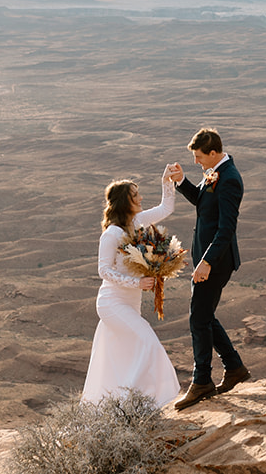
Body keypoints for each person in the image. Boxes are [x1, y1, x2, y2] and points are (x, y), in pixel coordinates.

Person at [80, 171, 181, 406]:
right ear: (125, 201)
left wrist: (166, 182)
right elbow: (103, 270)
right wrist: (137, 283)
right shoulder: (112, 234)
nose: (141, 199)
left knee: (125, 357)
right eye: (136, 196)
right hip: (112, 303)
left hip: (131, 303)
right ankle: (135, 403)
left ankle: (120, 404)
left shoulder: (137, 224)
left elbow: (166, 208)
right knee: (148, 343)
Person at [171, 127, 250, 409]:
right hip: (207, 260)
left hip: (216, 262)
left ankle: (201, 380)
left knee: (198, 318)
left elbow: (226, 228)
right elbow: (205, 204)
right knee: (205, 316)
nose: (196, 161)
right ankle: (235, 367)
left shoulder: (229, 179)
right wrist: (183, 183)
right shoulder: (216, 171)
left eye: (199, 156)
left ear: (213, 153)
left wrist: (206, 262)